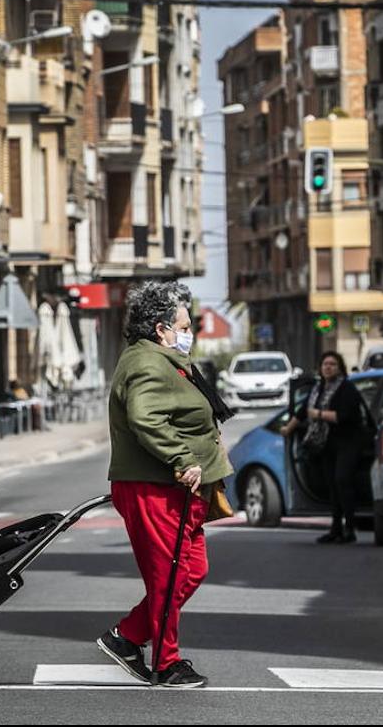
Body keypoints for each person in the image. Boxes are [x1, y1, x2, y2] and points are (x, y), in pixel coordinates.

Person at [97, 281, 233, 689]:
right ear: (161, 328)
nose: (189, 332)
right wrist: (183, 458)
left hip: (179, 491)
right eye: (183, 325)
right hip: (154, 487)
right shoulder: (145, 363)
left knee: (192, 570)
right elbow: (145, 417)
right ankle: (166, 662)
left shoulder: (164, 358)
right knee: (170, 577)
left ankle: (127, 637)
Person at [281, 351, 367, 544]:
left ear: (340, 368)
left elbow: (343, 416)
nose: (328, 367)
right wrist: (288, 429)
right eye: (325, 364)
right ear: (320, 368)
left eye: (333, 364)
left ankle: (350, 528)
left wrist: (319, 414)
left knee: (342, 481)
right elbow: (302, 412)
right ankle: (335, 528)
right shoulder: (317, 389)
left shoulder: (347, 389)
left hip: (347, 442)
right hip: (326, 444)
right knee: (332, 486)